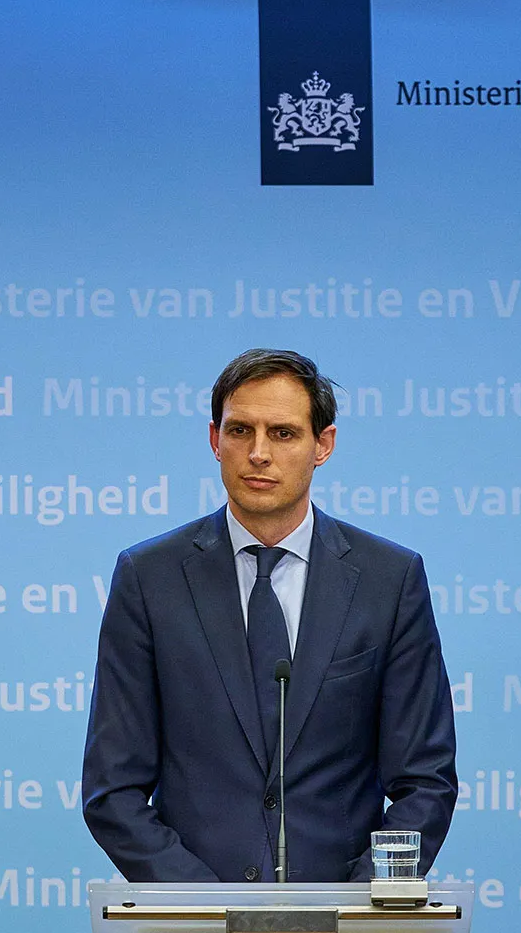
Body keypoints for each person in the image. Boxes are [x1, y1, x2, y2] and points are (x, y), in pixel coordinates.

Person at [82, 349, 458, 883]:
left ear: (323, 445)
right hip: (194, 920)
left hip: (344, 917)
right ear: (215, 440)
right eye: (240, 431)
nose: (258, 453)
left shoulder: (389, 580)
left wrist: (355, 904)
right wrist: (207, 907)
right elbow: (112, 789)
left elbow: (426, 781)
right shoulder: (148, 578)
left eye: (282, 434)